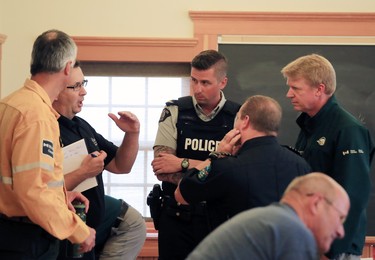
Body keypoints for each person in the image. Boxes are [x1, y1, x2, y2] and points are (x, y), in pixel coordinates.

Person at [0, 29, 96, 259]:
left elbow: (20, 179)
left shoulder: (10, 104)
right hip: (26, 240)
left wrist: (60, 195)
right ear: (67, 67)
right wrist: (78, 230)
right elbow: (32, 190)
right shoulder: (36, 116)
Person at [281, 53, 375, 260]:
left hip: (336, 246)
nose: (289, 94)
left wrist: (331, 248)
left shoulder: (349, 130)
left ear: (319, 89)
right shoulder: (308, 125)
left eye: (295, 88)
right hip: (310, 239)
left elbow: (354, 195)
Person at [151, 49, 241, 259]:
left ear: (223, 83)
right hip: (177, 217)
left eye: (205, 83)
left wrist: (182, 163)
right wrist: (216, 165)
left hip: (219, 220)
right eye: (194, 80)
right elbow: (162, 169)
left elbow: (235, 174)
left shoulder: (238, 117)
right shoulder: (174, 111)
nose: (197, 89)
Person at [174, 95, 311, 232]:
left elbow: (182, 194)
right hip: (289, 250)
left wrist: (216, 155)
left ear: (245, 121)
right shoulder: (301, 165)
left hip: (238, 250)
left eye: (237, 118)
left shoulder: (226, 166)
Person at [53, 62, 147, 260]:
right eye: (76, 86)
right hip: (62, 239)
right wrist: (83, 172)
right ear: (56, 89)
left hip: (89, 233)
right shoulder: (46, 128)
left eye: (83, 83)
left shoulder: (82, 126)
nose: (84, 92)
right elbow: (41, 189)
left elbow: (121, 166)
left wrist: (132, 134)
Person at [187, 172, 350, 260]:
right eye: (340, 218)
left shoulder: (274, 222)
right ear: (316, 204)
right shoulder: (293, 231)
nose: (341, 232)